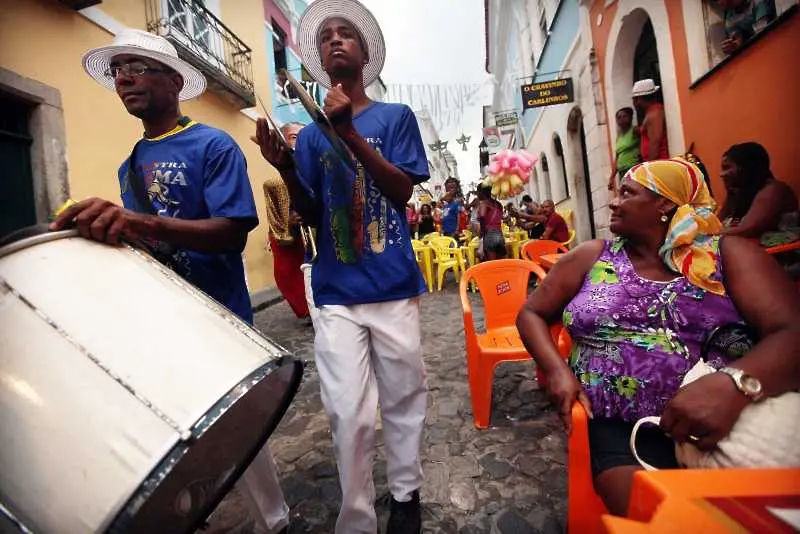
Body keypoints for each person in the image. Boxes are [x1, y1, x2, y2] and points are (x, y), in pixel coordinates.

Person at [53, 28, 289, 534]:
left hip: (220, 311)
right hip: (165, 315)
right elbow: (150, 242)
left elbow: (230, 233)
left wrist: (141, 223)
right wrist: (107, 234)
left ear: (174, 81)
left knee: (237, 424)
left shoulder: (213, 145)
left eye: (136, 67)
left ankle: (275, 521)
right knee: (183, 427)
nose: (123, 79)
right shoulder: (128, 166)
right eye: (118, 72)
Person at [516, 158, 800, 516]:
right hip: (619, 428)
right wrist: (557, 371)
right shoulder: (592, 256)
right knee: (663, 518)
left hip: (727, 423)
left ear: (665, 204)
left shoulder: (726, 255)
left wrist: (734, 385)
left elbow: (792, 331)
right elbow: (531, 313)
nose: (614, 202)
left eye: (627, 193)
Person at [253, 2, 428, 532]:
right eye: (326, 36)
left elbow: (400, 192)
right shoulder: (307, 134)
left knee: (402, 398)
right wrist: (285, 165)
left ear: (365, 52)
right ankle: (355, 516)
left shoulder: (394, 117)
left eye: (345, 34)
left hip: (392, 283)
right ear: (320, 60)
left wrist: (349, 133)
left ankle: (405, 495)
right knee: (347, 411)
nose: (334, 40)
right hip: (333, 288)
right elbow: (309, 211)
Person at [263, 122, 310, 320]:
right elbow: (275, 218)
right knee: (289, 277)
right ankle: (307, 310)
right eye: (293, 137)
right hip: (290, 240)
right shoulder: (273, 184)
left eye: (304, 136)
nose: (299, 141)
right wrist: (289, 225)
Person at [632, 79, 668, 162]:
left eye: (635, 98)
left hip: (659, 163)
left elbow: (655, 143)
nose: (634, 102)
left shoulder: (655, 113)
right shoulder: (651, 112)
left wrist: (649, 166)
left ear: (640, 98)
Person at [608, 107, 640, 191]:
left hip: (633, 168)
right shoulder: (619, 137)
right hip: (622, 171)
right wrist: (612, 177)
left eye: (625, 116)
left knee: (634, 193)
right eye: (619, 117)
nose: (622, 119)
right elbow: (617, 157)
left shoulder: (635, 130)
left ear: (631, 117)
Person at [476, 184, 505, 260]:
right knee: (500, 261)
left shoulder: (484, 203)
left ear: (481, 192)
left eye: (477, 192)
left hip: (489, 234)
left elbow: (482, 216)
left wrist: (482, 233)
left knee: (491, 262)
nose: (477, 194)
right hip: (499, 233)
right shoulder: (498, 204)